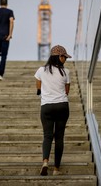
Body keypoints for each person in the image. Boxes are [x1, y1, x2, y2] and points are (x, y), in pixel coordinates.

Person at [34, 45, 72, 176]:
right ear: (58, 57)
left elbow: (38, 85)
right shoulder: (66, 72)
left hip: (47, 107)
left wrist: (41, 91)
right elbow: (67, 91)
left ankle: (45, 162)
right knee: (59, 138)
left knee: (47, 136)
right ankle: (56, 169)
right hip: (62, 106)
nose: (65, 60)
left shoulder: (41, 70)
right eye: (64, 57)